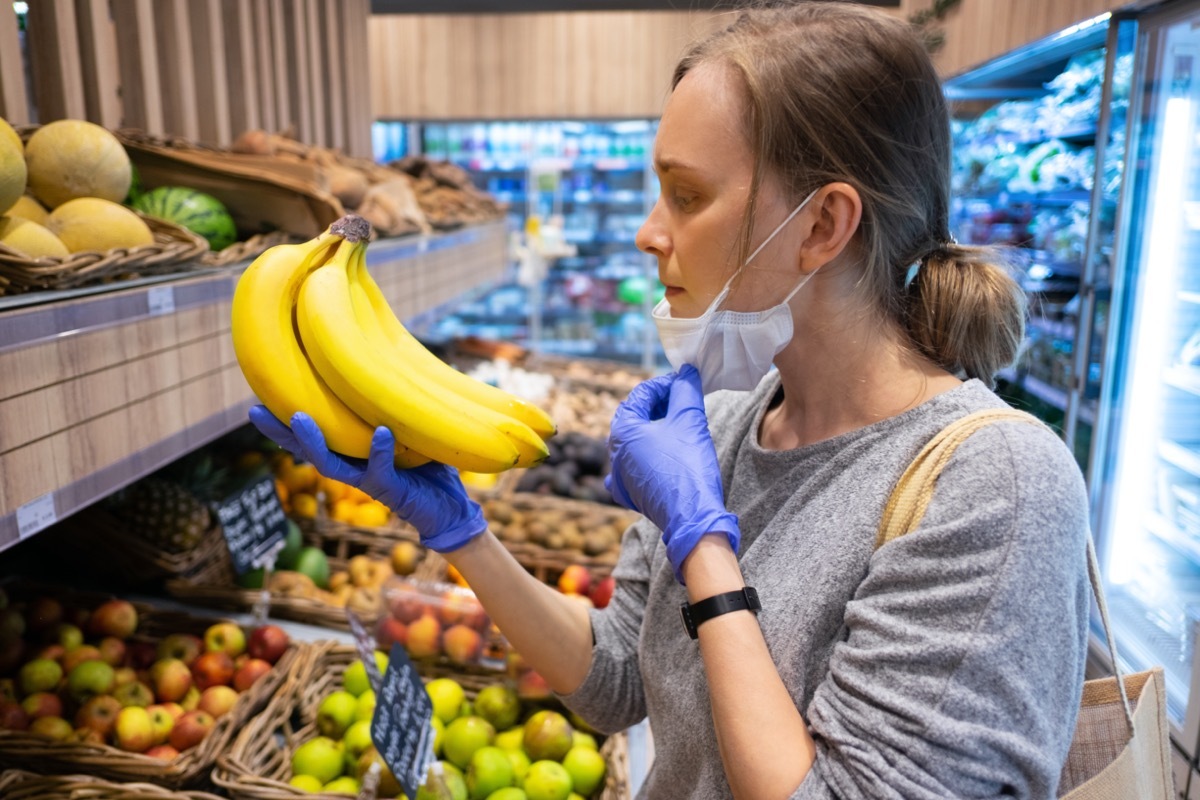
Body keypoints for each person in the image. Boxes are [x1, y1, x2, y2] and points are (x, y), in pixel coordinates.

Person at [251, 3, 1091, 798]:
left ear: (822, 225)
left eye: (686, 196)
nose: (651, 232)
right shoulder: (725, 425)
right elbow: (616, 680)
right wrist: (461, 531)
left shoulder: (998, 485)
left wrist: (704, 547)